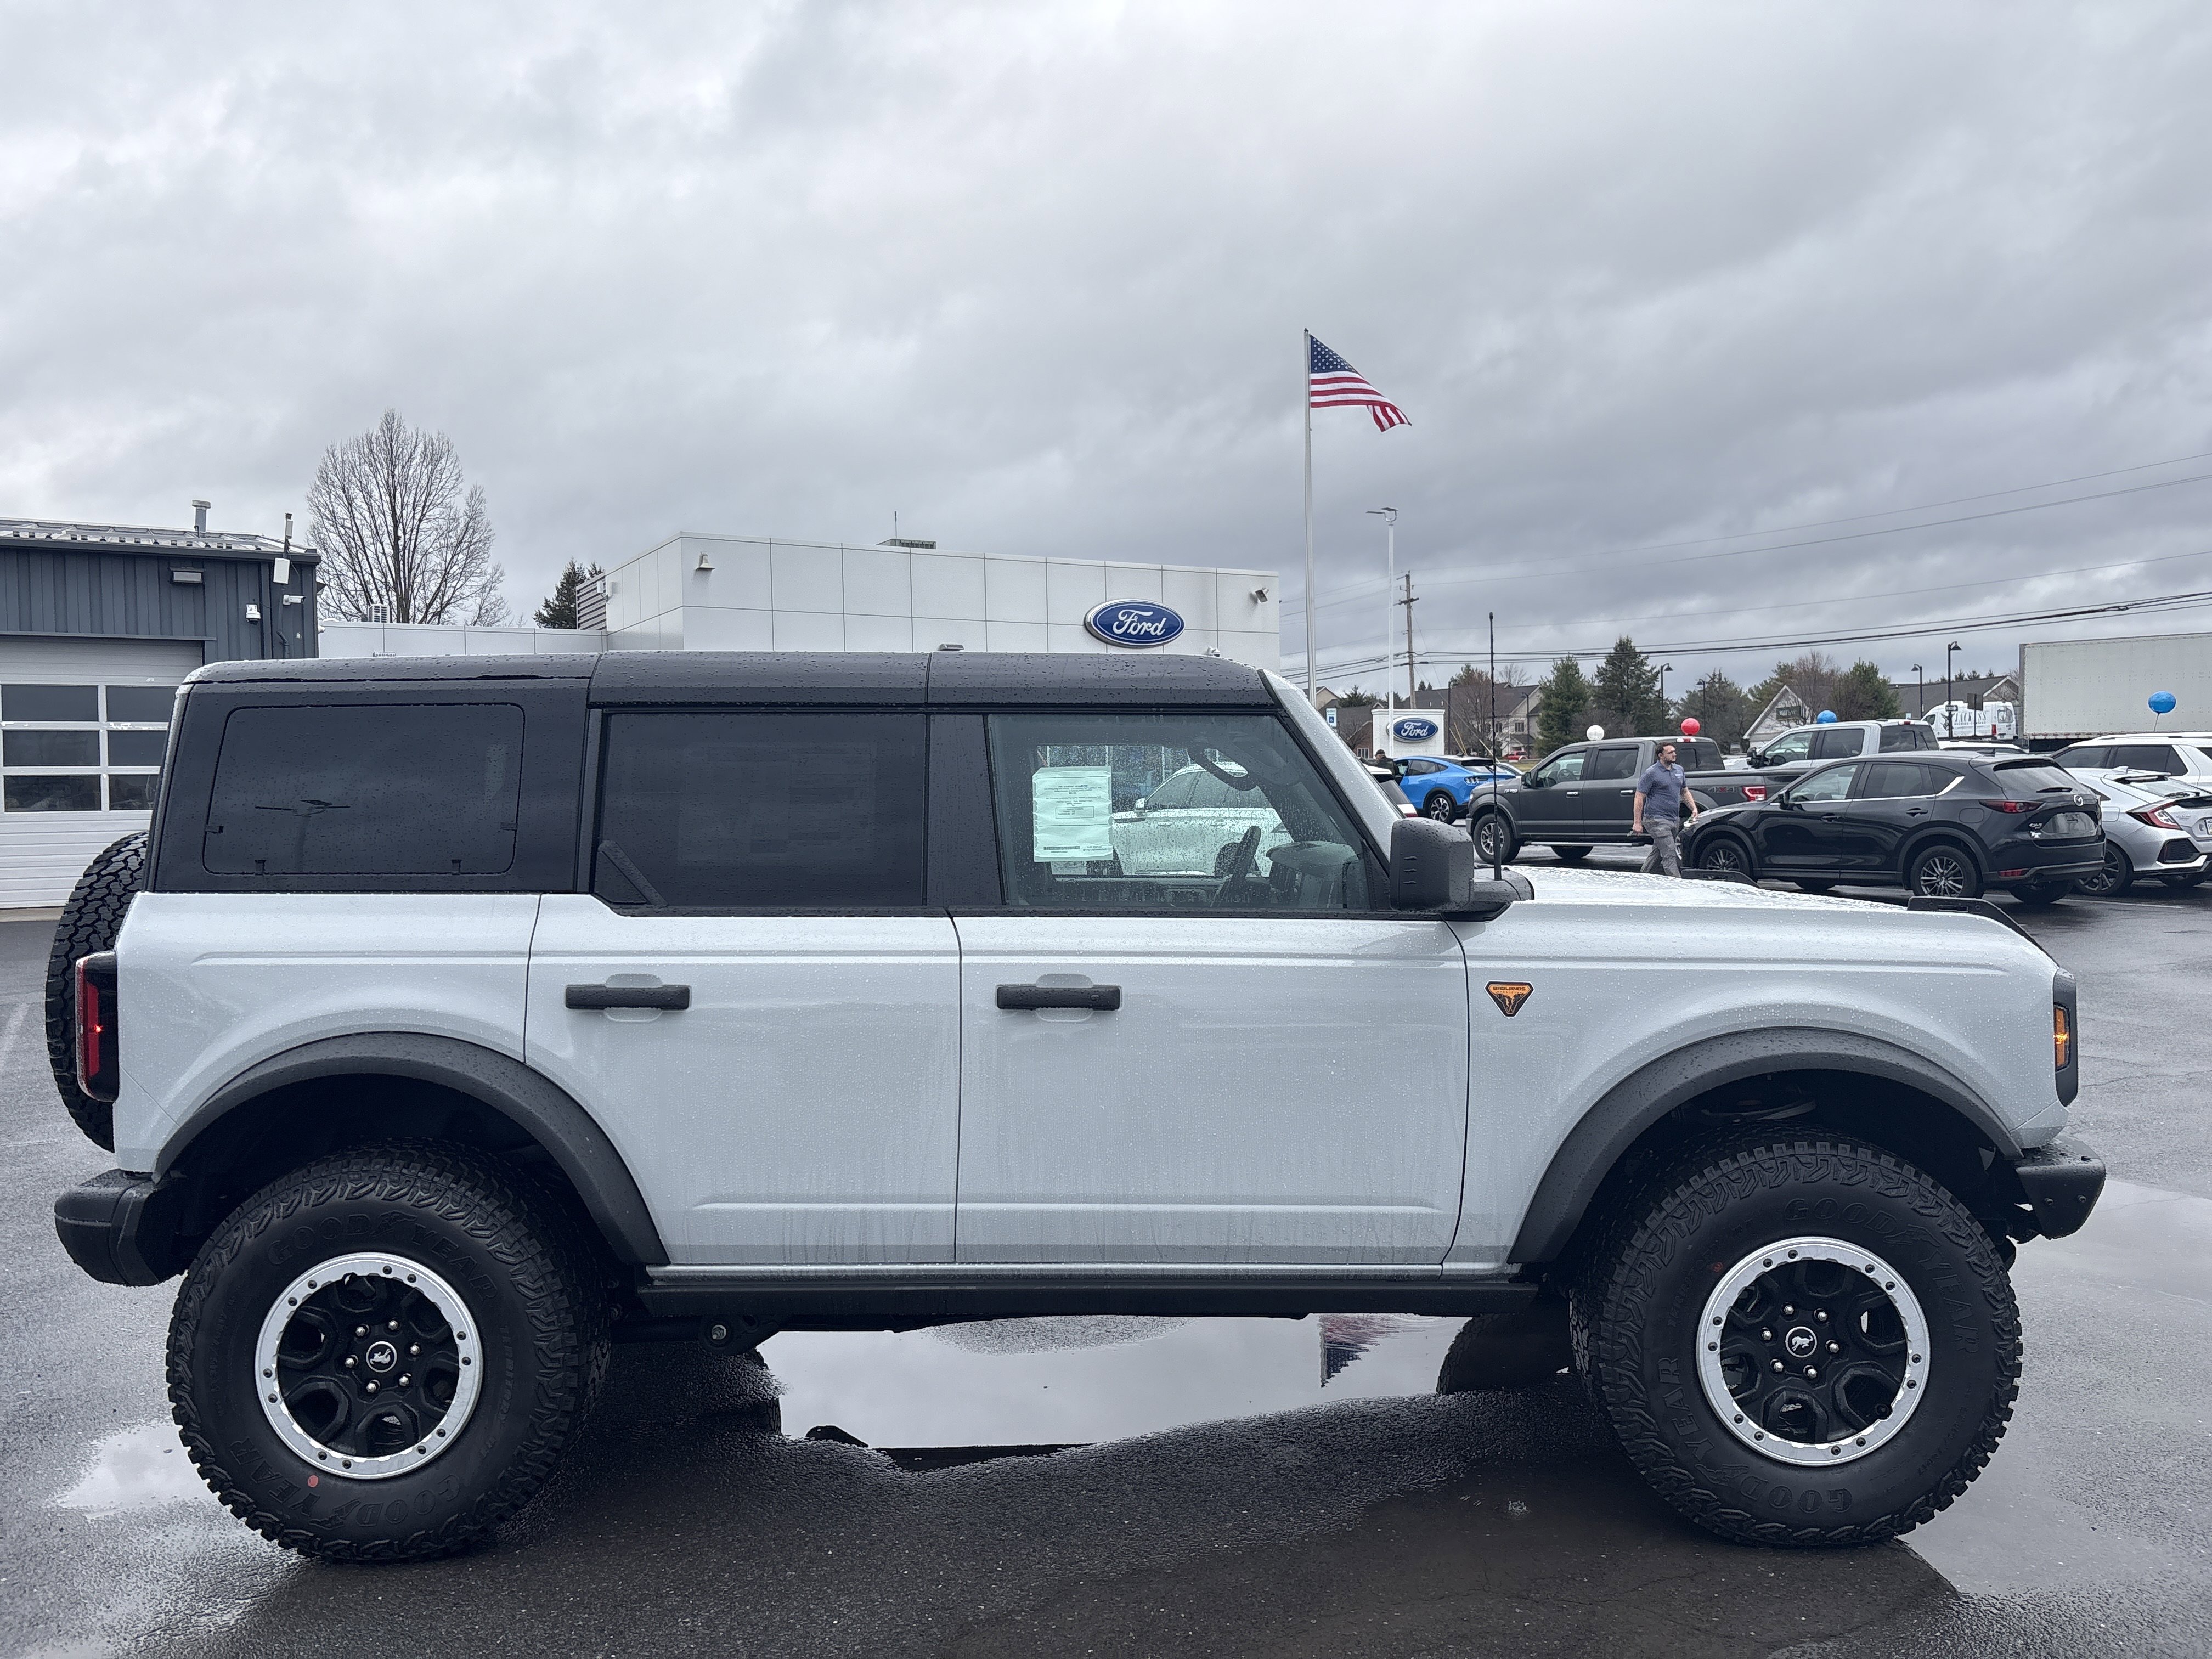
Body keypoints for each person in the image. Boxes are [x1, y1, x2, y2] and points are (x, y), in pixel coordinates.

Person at [1633, 741, 1700, 877]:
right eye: (1670, 752)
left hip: (1673, 819)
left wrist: (1693, 808)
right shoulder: (1652, 773)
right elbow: (1639, 797)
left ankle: (1642, 878)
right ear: (1661, 755)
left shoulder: (1679, 770)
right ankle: (1677, 884)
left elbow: (1684, 791)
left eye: (1674, 752)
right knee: (1670, 852)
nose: (1674, 754)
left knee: (1658, 852)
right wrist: (1637, 822)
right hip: (1656, 819)